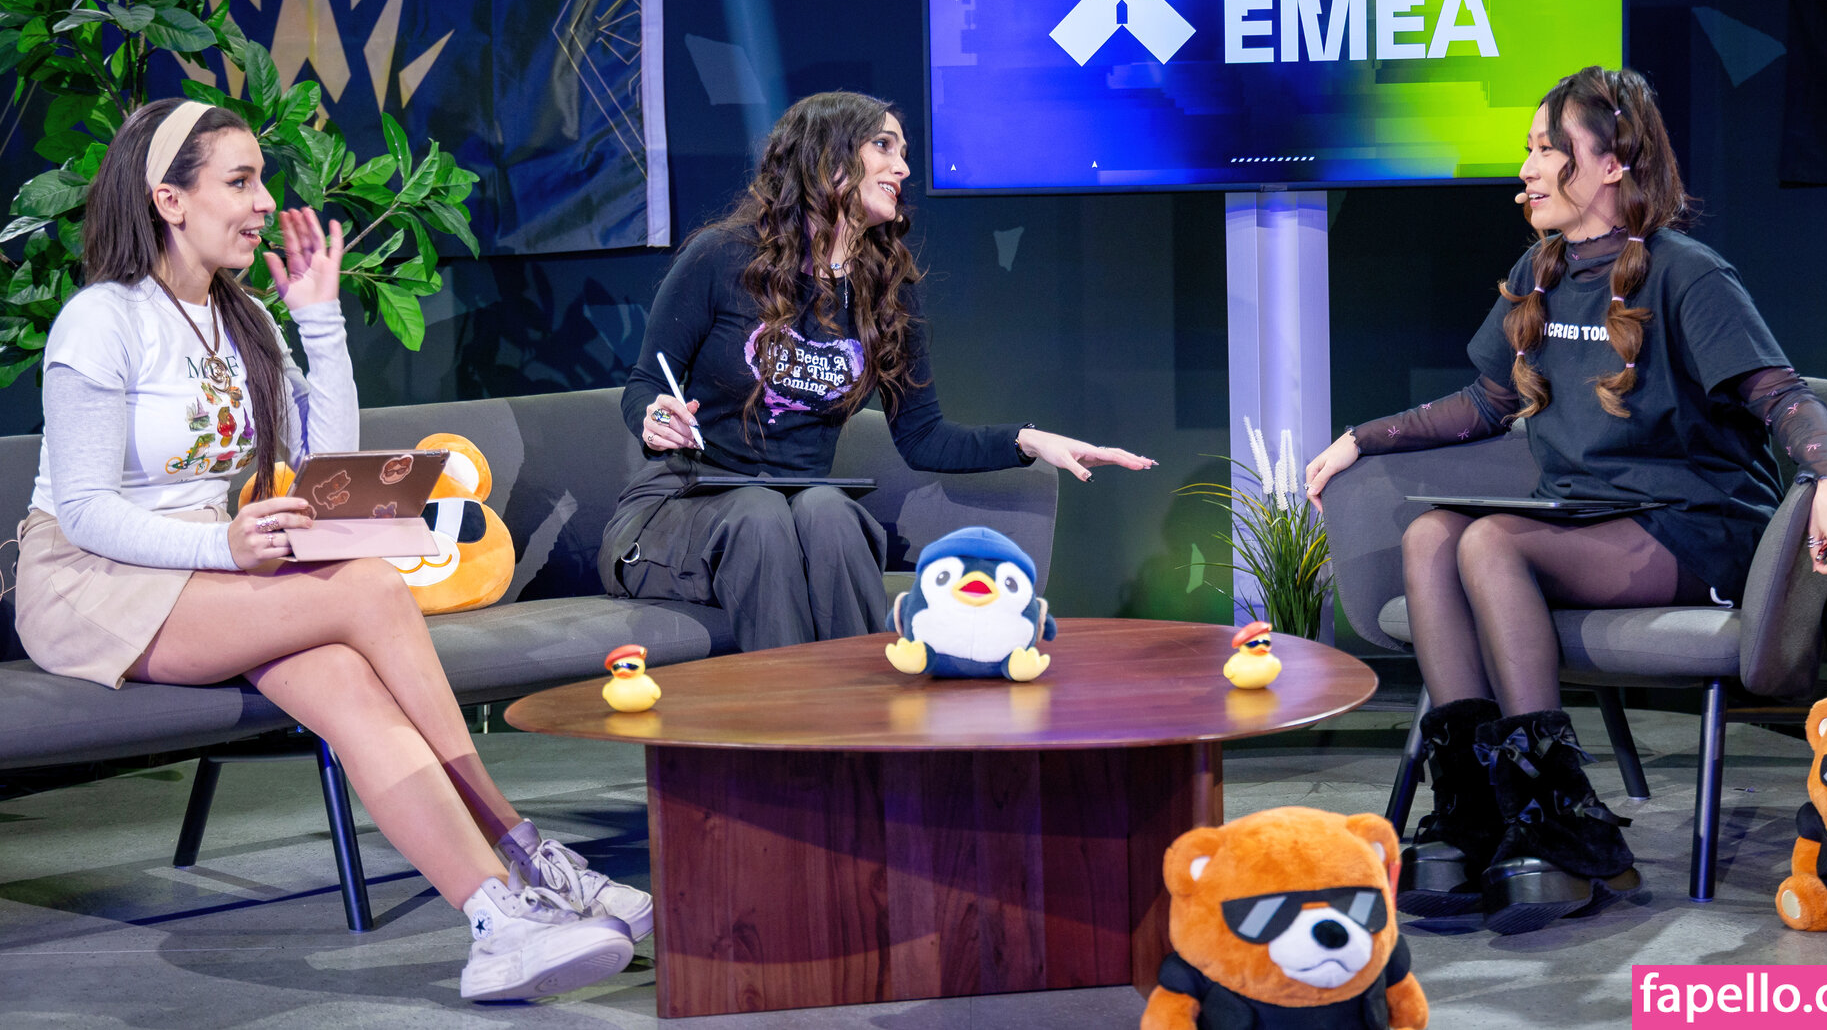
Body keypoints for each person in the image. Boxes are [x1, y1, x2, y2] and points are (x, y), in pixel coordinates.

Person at [15, 98, 652, 1001]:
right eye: (241, 181)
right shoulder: (101, 319)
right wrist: (227, 547)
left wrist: (319, 319)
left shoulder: (243, 317)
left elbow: (324, 470)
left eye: (260, 180)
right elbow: (82, 511)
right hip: (92, 582)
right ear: (169, 199)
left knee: (347, 683)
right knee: (367, 587)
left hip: (205, 566)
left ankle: (494, 918)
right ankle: (523, 846)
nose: (264, 202)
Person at [1302, 66, 1827, 934]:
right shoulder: (1542, 267)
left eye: (1546, 149)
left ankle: (1561, 821)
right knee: (1429, 538)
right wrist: (1362, 437)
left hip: (1696, 524)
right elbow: (1488, 402)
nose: (1525, 168)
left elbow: (1781, 395)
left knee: (1489, 542)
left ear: (1611, 164)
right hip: (1585, 518)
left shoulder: (1688, 274)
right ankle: (1473, 809)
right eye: (1528, 149)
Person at [601, 91, 1154, 652]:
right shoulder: (720, 256)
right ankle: (783, 705)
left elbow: (923, 436)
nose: (903, 168)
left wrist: (1027, 440)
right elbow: (647, 382)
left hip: (796, 511)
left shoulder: (885, 291)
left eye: (903, 152)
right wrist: (655, 417)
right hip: (686, 503)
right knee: (758, 513)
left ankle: (861, 701)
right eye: (884, 146)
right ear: (828, 157)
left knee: (829, 512)